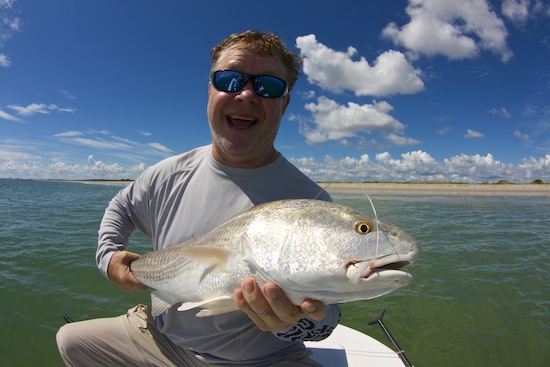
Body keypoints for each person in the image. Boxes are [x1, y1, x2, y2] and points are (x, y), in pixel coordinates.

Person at [56, 30, 341, 367]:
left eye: (269, 86)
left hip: (268, 359)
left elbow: (327, 322)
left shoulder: (311, 204)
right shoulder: (165, 174)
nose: (247, 94)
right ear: (210, 90)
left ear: (285, 103)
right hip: (161, 341)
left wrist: (295, 323)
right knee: (70, 341)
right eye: (230, 80)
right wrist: (109, 258)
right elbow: (121, 206)